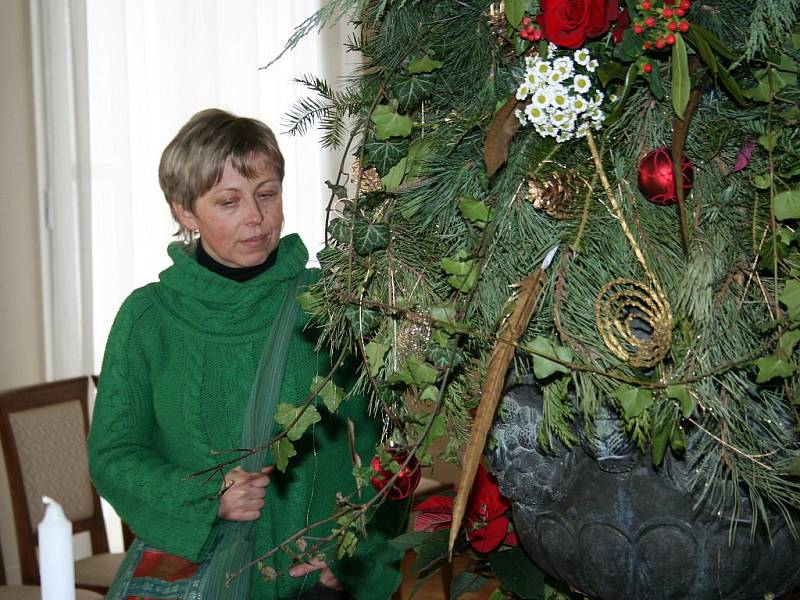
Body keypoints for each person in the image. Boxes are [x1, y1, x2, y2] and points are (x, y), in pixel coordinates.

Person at [88, 108, 405, 599]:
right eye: (229, 202)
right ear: (184, 212)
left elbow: (387, 451)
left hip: (314, 587)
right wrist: (207, 496)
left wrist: (357, 557)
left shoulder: (333, 306)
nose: (255, 217)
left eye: (267, 193)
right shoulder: (146, 319)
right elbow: (113, 456)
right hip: (199, 581)